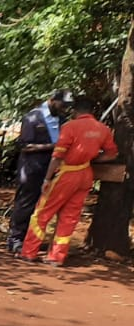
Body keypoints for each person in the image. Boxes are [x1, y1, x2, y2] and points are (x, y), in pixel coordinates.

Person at [19, 95, 119, 266]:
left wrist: (47, 178)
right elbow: (112, 153)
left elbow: (57, 156)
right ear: (91, 110)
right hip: (85, 174)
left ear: (74, 110)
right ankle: (57, 257)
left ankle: (29, 252)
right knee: (70, 217)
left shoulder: (70, 127)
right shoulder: (103, 129)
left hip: (66, 175)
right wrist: (90, 159)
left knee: (42, 213)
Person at [6, 90, 71, 253]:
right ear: (52, 100)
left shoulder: (62, 120)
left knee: (42, 206)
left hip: (52, 168)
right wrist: (52, 146)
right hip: (31, 168)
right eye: (62, 105)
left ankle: (31, 239)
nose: (64, 109)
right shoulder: (33, 117)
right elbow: (24, 146)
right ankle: (16, 239)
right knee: (26, 202)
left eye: (67, 106)